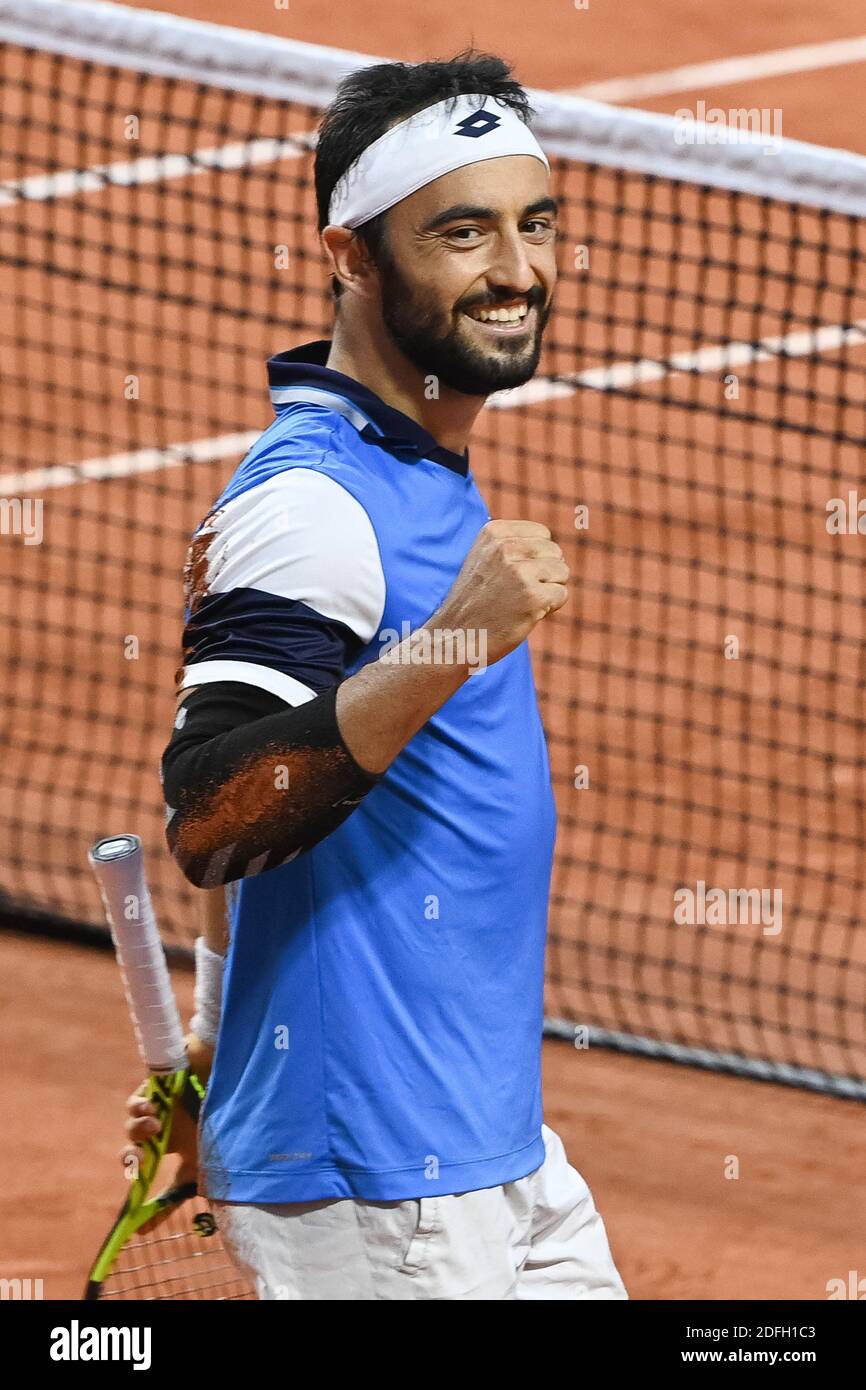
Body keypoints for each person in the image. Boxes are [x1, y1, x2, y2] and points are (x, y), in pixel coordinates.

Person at [125, 49, 627, 1302]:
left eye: (534, 224)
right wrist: (454, 638)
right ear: (350, 256)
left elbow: (270, 808)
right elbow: (216, 812)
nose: (516, 271)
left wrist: (211, 1035)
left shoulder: (413, 463)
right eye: (462, 232)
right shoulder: (311, 503)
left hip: (489, 1152)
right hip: (379, 1187)